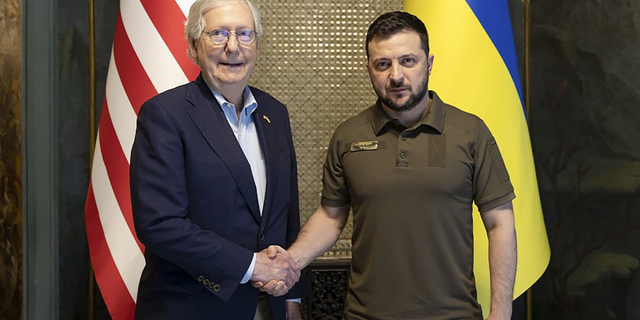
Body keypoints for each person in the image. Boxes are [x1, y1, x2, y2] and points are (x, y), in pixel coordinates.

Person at [258, 11, 517, 320]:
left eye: (408, 61)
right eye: (383, 64)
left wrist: (501, 311)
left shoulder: (471, 132)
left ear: (429, 63)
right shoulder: (347, 136)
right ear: (369, 69)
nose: (396, 75)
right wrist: (290, 261)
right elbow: (331, 216)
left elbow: (500, 222)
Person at [130, 0, 302, 319]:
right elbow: (160, 224)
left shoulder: (275, 114)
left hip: (268, 308)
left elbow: (287, 216)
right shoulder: (164, 115)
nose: (233, 47)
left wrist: (293, 299)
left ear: (257, 45)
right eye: (218, 34)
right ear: (194, 47)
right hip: (192, 308)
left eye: (244, 34)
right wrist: (251, 266)